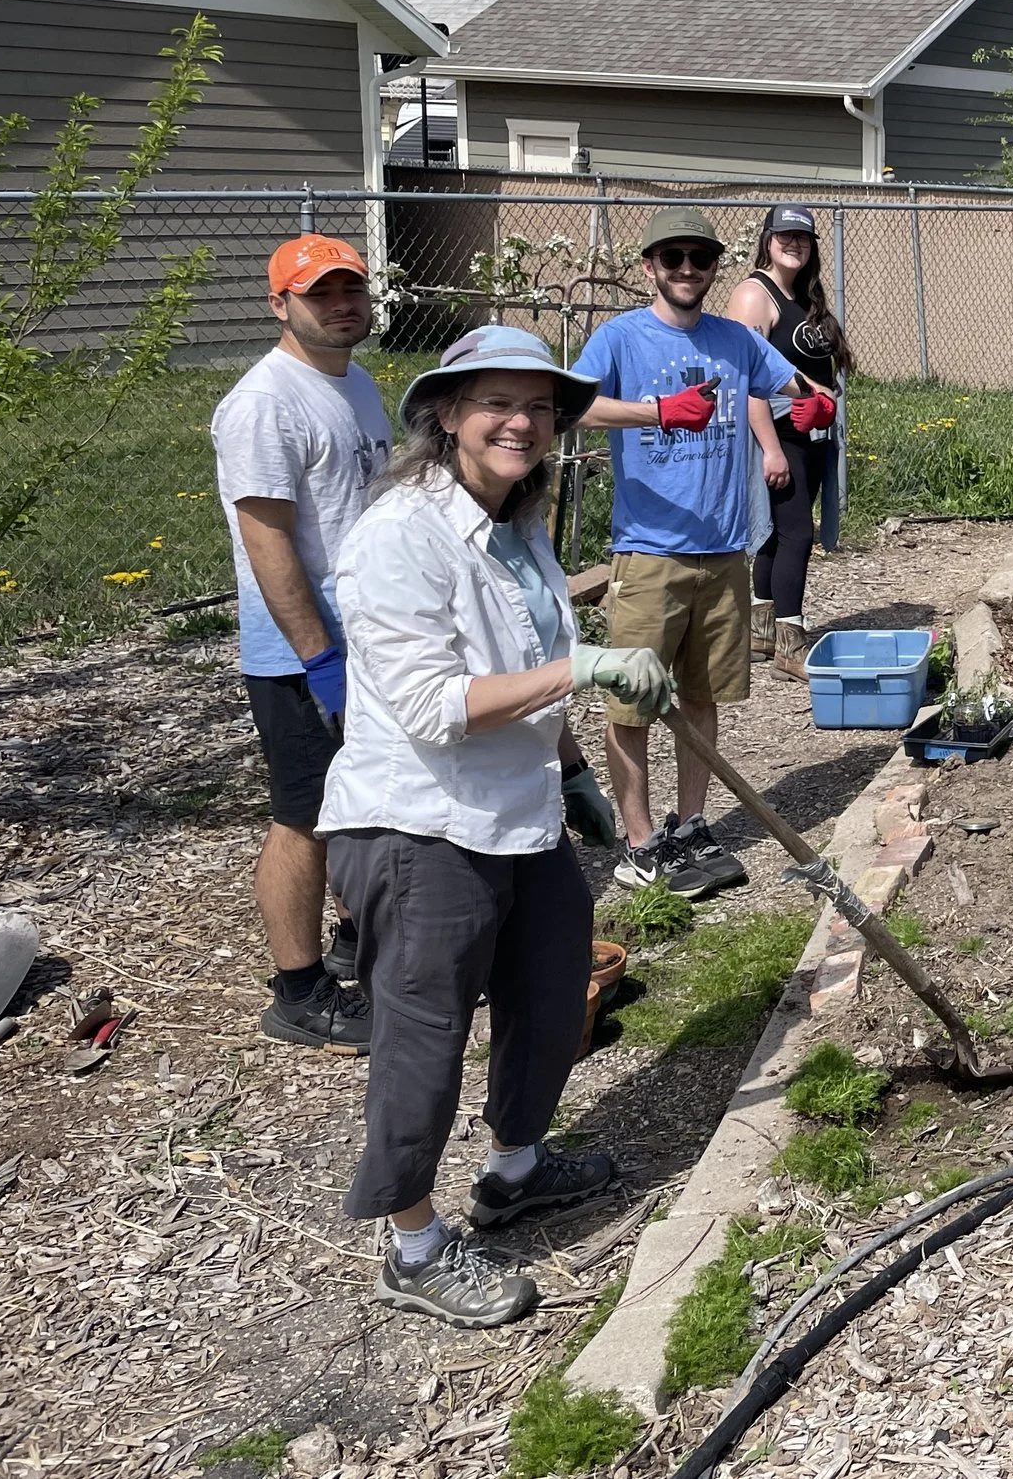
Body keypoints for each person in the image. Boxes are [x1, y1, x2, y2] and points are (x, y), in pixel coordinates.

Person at [316, 324, 670, 1327]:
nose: (521, 421)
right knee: (424, 1043)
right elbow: (434, 706)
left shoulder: (518, 522)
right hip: (420, 827)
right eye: (496, 403)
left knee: (553, 994)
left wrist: (569, 771)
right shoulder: (397, 536)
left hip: (518, 815)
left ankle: (515, 1167)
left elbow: (525, 648)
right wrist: (587, 669)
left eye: (540, 406)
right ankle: (414, 1246)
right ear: (445, 415)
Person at [575, 206, 801, 897]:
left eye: (698, 259)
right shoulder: (622, 339)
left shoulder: (734, 341)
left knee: (703, 696)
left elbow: (791, 385)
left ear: (712, 269)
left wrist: (811, 404)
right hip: (649, 552)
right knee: (632, 701)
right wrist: (659, 411)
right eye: (671, 258)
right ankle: (639, 842)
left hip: (724, 550)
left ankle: (693, 822)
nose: (685, 270)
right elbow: (574, 405)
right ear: (649, 266)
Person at [209, 233, 389, 1053]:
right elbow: (269, 543)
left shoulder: (357, 386)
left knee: (360, 800)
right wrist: (321, 660)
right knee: (304, 816)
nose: (342, 304)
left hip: (369, 635)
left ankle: (355, 939)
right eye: (321, 293)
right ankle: (299, 987)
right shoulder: (264, 401)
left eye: (351, 289)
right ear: (279, 302)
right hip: (299, 652)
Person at [721, 203, 852, 680]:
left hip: (811, 430)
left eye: (803, 238)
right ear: (767, 240)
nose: (793, 244)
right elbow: (744, 377)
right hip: (777, 432)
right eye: (785, 236)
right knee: (798, 533)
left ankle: (760, 630)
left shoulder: (800, 295)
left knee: (779, 534)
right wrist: (770, 448)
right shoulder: (755, 295)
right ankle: (790, 644)